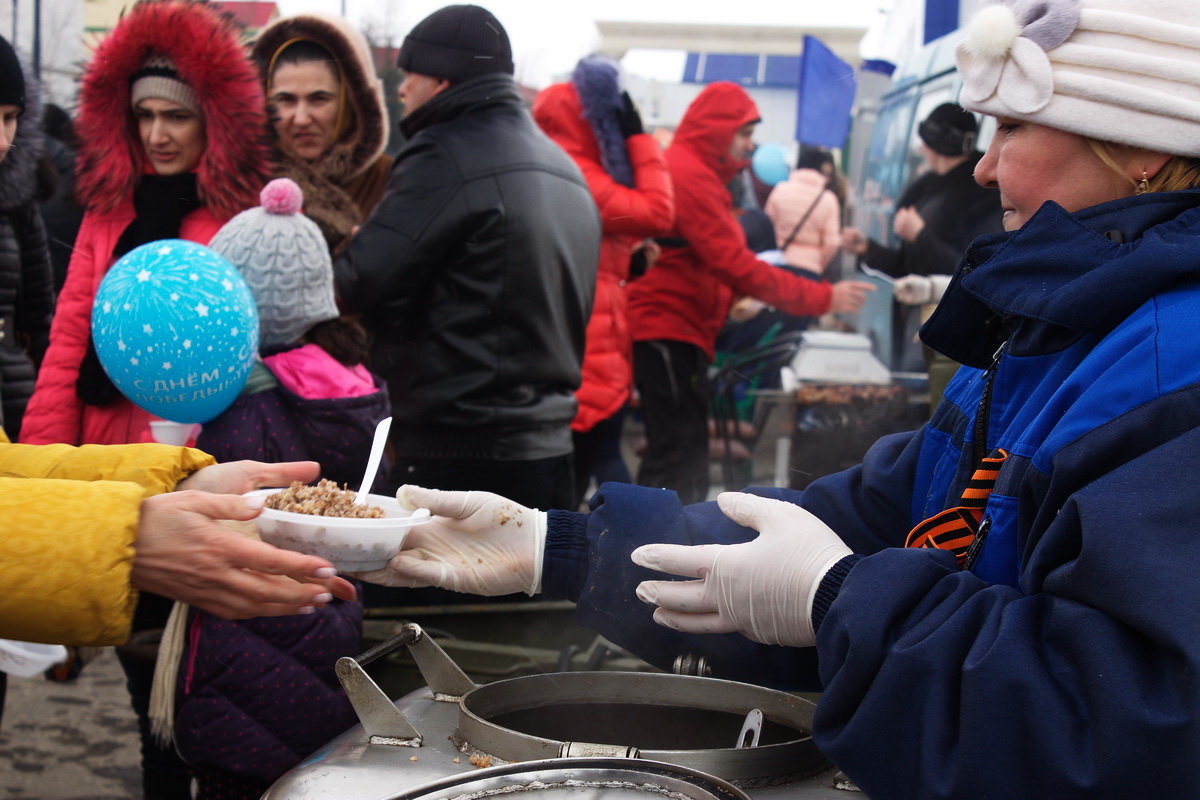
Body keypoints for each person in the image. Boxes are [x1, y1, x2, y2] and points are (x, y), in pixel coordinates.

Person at [353, 0, 1200, 795]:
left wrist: (836, 600)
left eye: (1011, 127)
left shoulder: (1176, 367)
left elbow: (1134, 725)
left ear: (1140, 149)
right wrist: (566, 550)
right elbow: (871, 513)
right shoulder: (1049, 324)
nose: (982, 165)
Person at [151, 178, 386, 800]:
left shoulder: (231, 407)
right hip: (327, 621)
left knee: (236, 771)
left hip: (238, 631)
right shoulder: (354, 387)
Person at [333, 4, 600, 511]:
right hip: (549, 455)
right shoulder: (564, 169)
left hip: (456, 459)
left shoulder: (445, 155)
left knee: (419, 592)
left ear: (441, 77)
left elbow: (356, 282)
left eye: (410, 73)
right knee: (534, 594)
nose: (401, 87)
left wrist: (353, 242)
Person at [20, 0, 269, 448]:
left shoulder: (241, 221)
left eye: (177, 116)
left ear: (212, 122)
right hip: (101, 450)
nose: (157, 135)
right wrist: (46, 460)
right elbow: (69, 341)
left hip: (200, 456)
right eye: (145, 115)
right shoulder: (109, 208)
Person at [626, 81, 874, 504]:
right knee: (676, 455)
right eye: (744, 134)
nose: (750, 145)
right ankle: (644, 551)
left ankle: (649, 546)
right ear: (717, 130)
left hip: (674, 326)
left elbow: (712, 260)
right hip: (667, 325)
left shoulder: (693, 172)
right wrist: (822, 298)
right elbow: (737, 264)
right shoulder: (692, 177)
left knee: (678, 453)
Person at [532, 56, 674, 507]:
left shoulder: (569, 164)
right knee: (593, 472)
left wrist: (626, 266)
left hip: (593, 335)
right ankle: (629, 554)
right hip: (585, 342)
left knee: (587, 470)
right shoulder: (575, 169)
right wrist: (637, 138)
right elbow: (656, 210)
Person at [842, 102, 1003, 372]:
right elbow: (906, 267)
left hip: (951, 325)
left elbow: (972, 268)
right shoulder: (928, 187)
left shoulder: (980, 195)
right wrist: (867, 248)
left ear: (934, 144)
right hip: (915, 318)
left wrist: (920, 234)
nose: (919, 149)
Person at [251, 13, 394, 252]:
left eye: (319, 99)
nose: (302, 118)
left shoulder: (391, 181)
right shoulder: (243, 181)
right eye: (285, 100)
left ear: (351, 102)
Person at [0, 36, 55, 442]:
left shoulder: (17, 202)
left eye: (10, 117)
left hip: (16, 408)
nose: (4, 140)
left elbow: (42, 318)